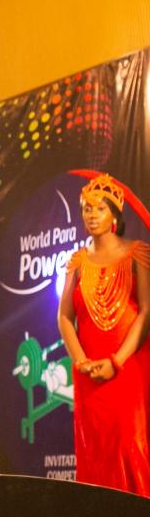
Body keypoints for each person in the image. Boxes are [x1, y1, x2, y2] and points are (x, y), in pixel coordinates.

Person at [58, 173, 150, 496]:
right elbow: (65, 316)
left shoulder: (138, 254)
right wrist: (80, 360)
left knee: (130, 445)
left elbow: (146, 313)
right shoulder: (78, 262)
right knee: (94, 452)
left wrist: (116, 361)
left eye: (98, 208)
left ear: (114, 215)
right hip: (89, 376)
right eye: (86, 209)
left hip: (127, 371)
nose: (91, 215)